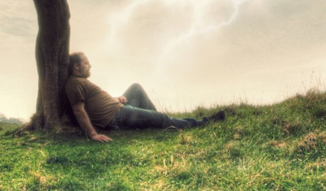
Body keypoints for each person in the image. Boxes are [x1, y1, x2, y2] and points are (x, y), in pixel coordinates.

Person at [65, 52, 226, 143]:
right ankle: (201, 122)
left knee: (136, 88)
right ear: (76, 66)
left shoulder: (80, 81)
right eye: (86, 63)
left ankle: (156, 119)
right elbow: (79, 110)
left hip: (118, 108)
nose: (90, 66)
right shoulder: (74, 84)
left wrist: (116, 98)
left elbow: (94, 102)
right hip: (117, 117)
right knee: (161, 118)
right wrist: (93, 134)